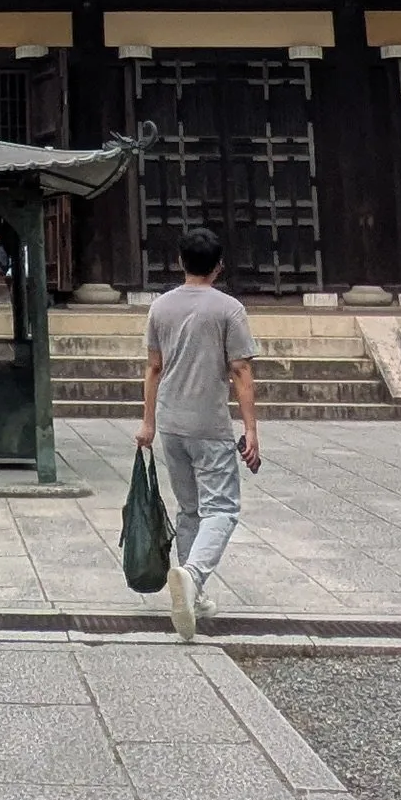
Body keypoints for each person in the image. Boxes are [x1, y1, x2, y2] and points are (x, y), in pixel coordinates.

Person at [135, 224, 263, 640]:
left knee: (189, 510)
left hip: (171, 423)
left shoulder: (160, 308)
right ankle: (192, 574)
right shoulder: (229, 309)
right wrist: (250, 429)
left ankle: (194, 594)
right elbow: (241, 369)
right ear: (219, 267)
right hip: (209, 423)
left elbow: (153, 367)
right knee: (223, 508)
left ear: (180, 262)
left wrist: (148, 422)